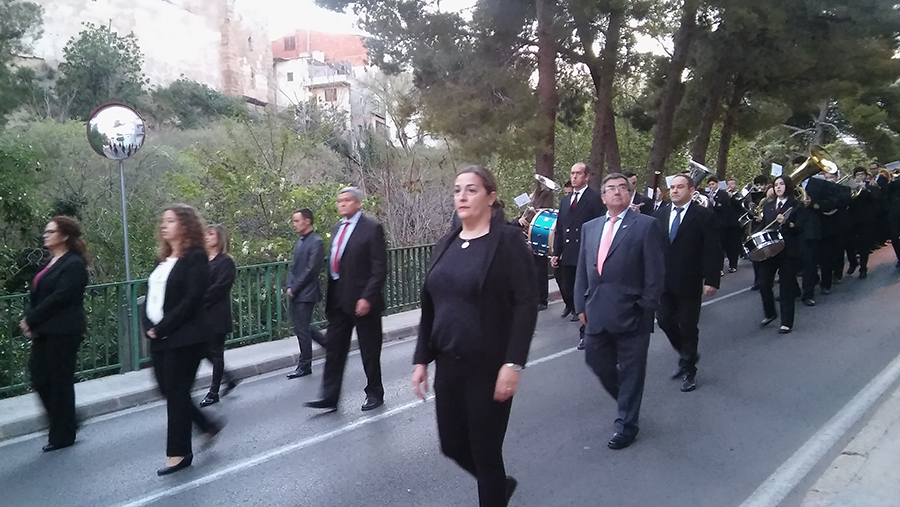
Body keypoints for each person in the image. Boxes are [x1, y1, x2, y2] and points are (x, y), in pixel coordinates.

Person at [413, 165, 537, 507]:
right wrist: (421, 359)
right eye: (457, 190)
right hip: (448, 365)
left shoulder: (507, 242)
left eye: (471, 189)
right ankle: (499, 485)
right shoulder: (446, 243)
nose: (462, 197)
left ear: (491, 197)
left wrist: (513, 363)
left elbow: (526, 304)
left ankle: (493, 488)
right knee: (452, 445)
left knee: (486, 452)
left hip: (489, 367)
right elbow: (431, 305)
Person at [574, 173, 665, 450]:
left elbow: (655, 273)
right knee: (596, 362)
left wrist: (645, 306)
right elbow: (583, 270)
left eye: (623, 188)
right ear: (603, 197)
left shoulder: (645, 225)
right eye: (611, 189)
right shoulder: (590, 228)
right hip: (596, 311)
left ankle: (626, 425)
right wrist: (580, 305)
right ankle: (626, 400)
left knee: (632, 372)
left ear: (630, 194)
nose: (617, 192)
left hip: (632, 314)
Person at [144, 204, 223, 476]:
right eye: (163, 221)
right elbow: (152, 296)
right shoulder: (163, 259)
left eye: (170, 221)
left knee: (176, 392)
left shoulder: (196, 258)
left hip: (186, 337)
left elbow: (192, 300)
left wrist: (163, 326)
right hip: (160, 337)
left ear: (186, 226)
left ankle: (178, 453)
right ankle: (207, 425)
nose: (164, 225)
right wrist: (149, 326)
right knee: (166, 389)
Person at [306, 187, 388, 412]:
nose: (342, 204)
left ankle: (374, 392)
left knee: (369, 350)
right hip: (338, 299)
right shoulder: (337, 228)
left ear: (358, 203)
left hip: (363, 300)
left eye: (347, 200)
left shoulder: (371, 229)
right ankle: (329, 396)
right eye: (339, 200)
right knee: (334, 349)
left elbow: (379, 268)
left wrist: (367, 297)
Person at [19, 216, 89, 452]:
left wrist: (31, 318)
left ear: (65, 236)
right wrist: (30, 318)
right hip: (45, 330)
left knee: (60, 382)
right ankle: (68, 420)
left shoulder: (74, 264)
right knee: (39, 378)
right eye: (46, 231)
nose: (45, 235)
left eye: (51, 232)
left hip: (64, 331)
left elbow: (61, 297)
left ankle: (62, 434)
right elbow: (38, 295)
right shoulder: (49, 263)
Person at [653, 174, 720, 393]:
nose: (674, 191)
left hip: (690, 280)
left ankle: (689, 370)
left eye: (680, 187)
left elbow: (713, 249)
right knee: (664, 320)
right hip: (664, 280)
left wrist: (711, 280)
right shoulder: (660, 214)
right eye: (672, 187)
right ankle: (686, 353)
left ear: (691, 190)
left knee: (689, 326)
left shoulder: (704, 215)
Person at [552, 163, 605, 338]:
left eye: (578, 173)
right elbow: (560, 228)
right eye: (572, 173)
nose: (574, 177)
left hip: (585, 250)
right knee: (567, 285)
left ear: (587, 176)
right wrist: (556, 252)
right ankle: (572, 306)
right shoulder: (565, 200)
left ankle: (585, 320)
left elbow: (600, 225)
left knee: (583, 287)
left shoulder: (594, 198)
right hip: (568, 251)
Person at [755, 176, 805, 334]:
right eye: (776, 185)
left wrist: (787, 223)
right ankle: (770, 313)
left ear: (788, 186)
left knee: (786, 287)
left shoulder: (796, 205)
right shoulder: (768, 206)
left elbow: (800, 228)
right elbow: (764, 226)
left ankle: (786, 322)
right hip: (770, 251)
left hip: (788, 250)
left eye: (781, 184)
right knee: (764, 283)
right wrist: (754, 234)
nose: (778, 187)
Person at [199, 224, 238, 407]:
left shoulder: (225, 262)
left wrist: (199, 299)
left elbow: (220, 288)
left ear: (219, 238)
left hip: (217, 313)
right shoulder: (203, 260)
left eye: (211, 234)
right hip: (201, 315)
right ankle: (229, 378)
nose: (207, 237)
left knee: (216, 352)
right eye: (206, 234)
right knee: (202, 350)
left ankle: (213, 392)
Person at [286, 209, 328, 379]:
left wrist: (295, 288)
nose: (294, 224)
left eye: (297, 221)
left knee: (302, 329)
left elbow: (311, 270)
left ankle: (305, 365)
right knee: (301, 327)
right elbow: (294, 267)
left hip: (307, 292)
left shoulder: (316, 242)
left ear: (307, 221)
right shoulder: (300, 242)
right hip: (297, 291)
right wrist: (290, 285)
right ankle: (329, 345)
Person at [515, 179, 555, 310]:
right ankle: (535, 298)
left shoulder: (543, 205)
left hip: (537, 238)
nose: (532, 196)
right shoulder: (529, 205)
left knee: (540, 271)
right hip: (528, 239)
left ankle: (542, 300)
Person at [847, 167, 882, 279]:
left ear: (866, 175)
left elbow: (876, 198)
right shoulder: (850, 188)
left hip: (866, 220)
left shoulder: (871, 186)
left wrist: (865, 190)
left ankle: (863, 267)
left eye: (862, 174)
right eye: (858, 175)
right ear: (854, 177)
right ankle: (853, 262)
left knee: (864, 245)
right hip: (852, 220)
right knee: (849, 244)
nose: (860, 176)